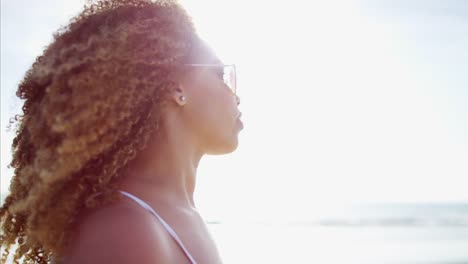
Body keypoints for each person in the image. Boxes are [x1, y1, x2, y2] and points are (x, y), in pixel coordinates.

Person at [0, 0, 242, 263]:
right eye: (220, 74)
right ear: (177, 88)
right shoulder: (122, 232)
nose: (235, 96)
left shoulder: (175, 215)